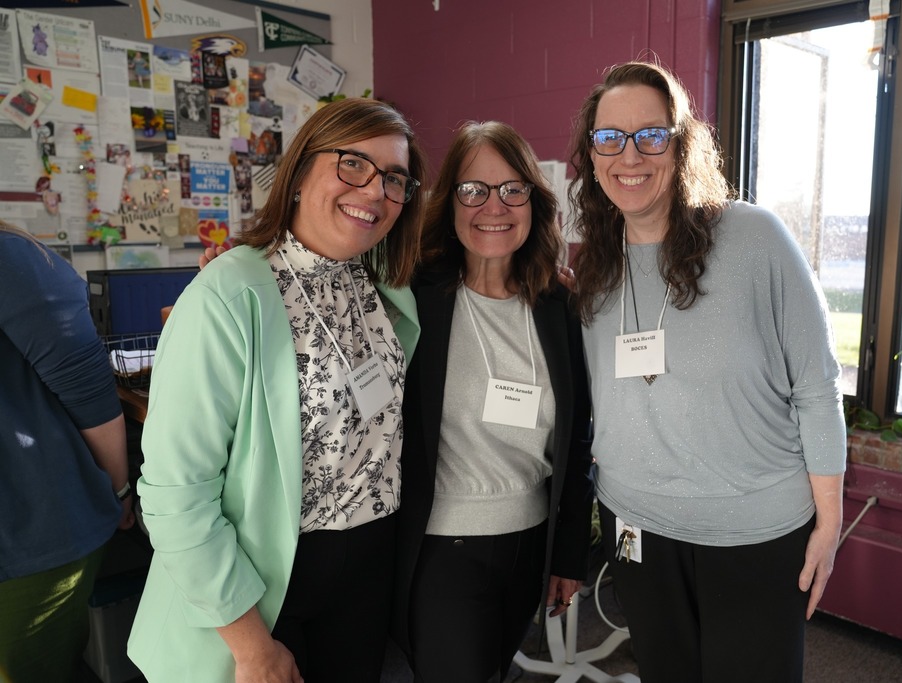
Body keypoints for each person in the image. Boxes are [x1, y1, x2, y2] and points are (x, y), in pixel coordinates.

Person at [127, 98, 426, 683]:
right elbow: (174, 495)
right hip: (259, 586)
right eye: (352, 164)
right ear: (298, 172)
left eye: (394, 178)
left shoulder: (382, 283)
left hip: (366, 571)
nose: (374, 191)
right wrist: (250, 645)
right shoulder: (228, 296)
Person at [566, 61, 846, 682]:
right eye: (610, 137)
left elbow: (817, 386)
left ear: (681, 142)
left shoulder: (754, 239)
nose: (629, 154)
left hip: (756, 530)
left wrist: (829, 521)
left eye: (651, 135)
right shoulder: (595, 270)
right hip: (637, 527)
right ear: (591, 155)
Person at [391, 121, 594, 683]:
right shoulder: (411, 294)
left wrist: (568, 555)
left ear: (533, 199)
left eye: (512, 189)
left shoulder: (559, 306)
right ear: (449, 201)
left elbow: (577, 441)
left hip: (529, 548)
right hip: (442, 550)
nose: (493, 206)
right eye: (473, 190)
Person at [0, 221, 134, 682]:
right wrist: (119, 491)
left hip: (28, 534)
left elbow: (90, 394)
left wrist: (117, 492)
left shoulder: (12, 259)